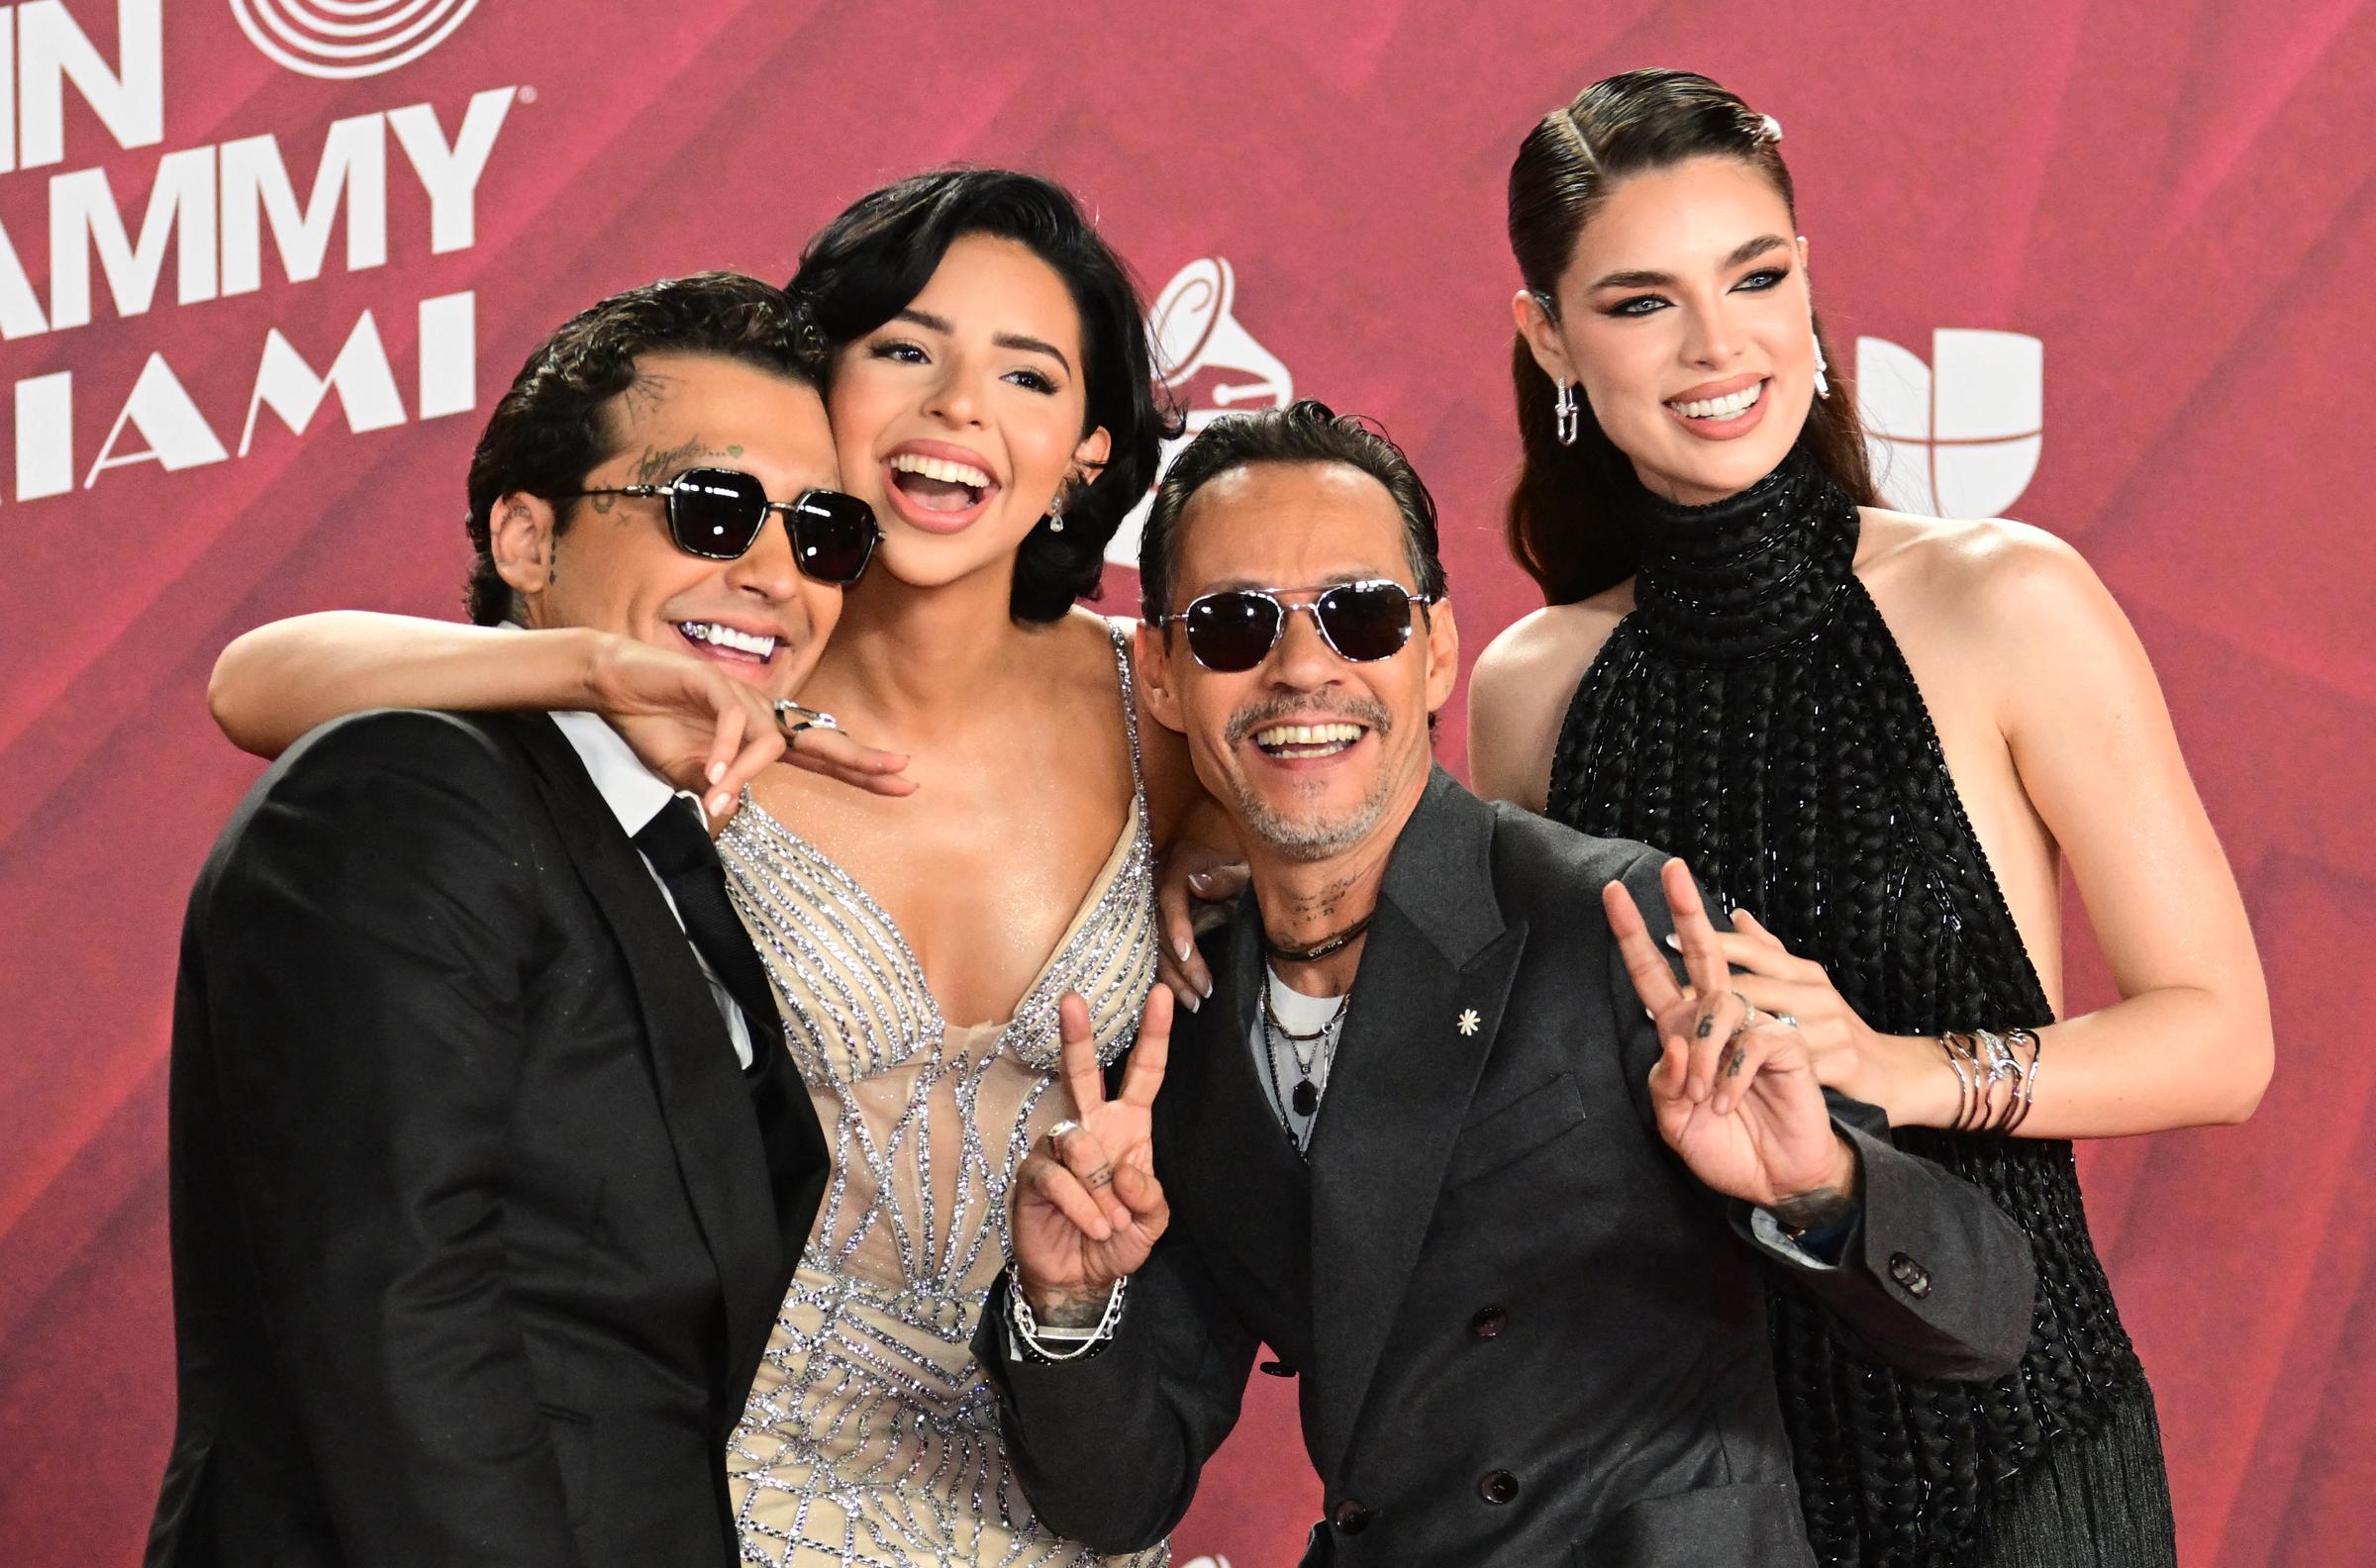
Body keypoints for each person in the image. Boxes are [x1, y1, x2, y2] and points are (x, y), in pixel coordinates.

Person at [203, 170, 1194, 1567]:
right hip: (722, 1501)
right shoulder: (694, 671)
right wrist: (595, 668)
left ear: (1090, 449)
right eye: (906, 349)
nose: (959, 407)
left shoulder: (1165, 709)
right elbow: (257, 683)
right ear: (822, 388)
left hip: (1062, 1484)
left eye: (1025, 374)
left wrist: (1226, 866)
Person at [974, 400, 2037, 1568]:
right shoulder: (1183, 1026)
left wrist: (1823, 1185)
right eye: (1234, 627)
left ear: (1436, 650)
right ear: (1166, 676)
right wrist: (1067, 1310)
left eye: (1360, 616)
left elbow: (1982, 1322)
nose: (1301, 671)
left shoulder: (1611, 921)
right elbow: (1115, 1500)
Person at [1465, 70, 2272, 1566]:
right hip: (1690, 1497)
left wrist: (1888, 1070)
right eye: (1642, 303)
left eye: (1758, 276)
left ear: (1809, 284)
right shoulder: (1531, 688)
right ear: (1548, 337)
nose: (1722, 346)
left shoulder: (2006, 603)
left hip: (2022, 1456)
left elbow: (2222, 1039)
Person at [146, 272, 858, 1567]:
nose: (773, 573)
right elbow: (399, 1320)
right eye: (711, 509)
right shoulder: (403, 794)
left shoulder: (674, 855)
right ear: (528, 542)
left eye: (822, 535)